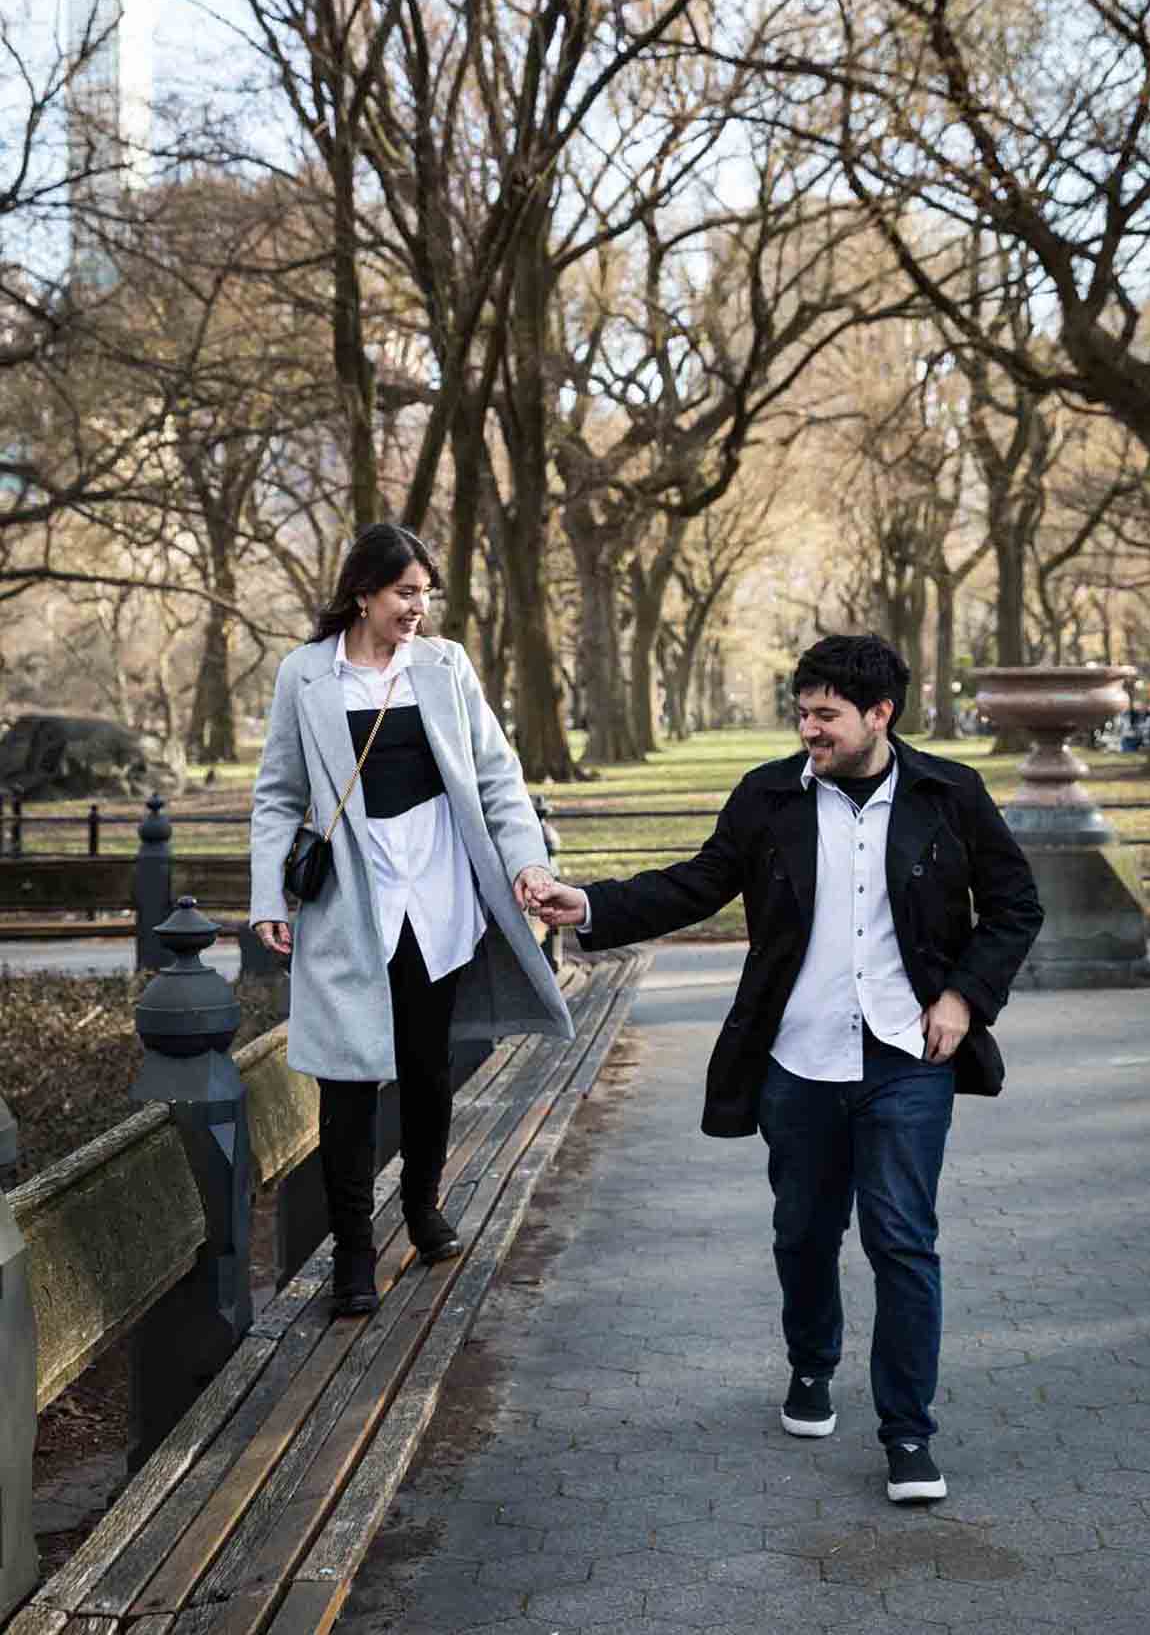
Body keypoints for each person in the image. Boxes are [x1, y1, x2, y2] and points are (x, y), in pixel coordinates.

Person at [532, 633, 1042, 1505]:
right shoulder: (769, 797)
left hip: (907, 1059)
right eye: (801, 712)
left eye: (826, 715)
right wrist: (591, 904)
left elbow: (1014, 906)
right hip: (797, 1059)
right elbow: (700, 883)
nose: (808, 728)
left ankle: (909, 1435)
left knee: (902, 1241)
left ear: (880, 714)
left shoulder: (949, 794)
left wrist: (962, 999)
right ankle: (813, 1365)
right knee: (804, 1231)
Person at [251, 524, 572, 1317]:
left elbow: (497, 776)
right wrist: (266, 897)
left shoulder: (445, 666)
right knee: (349, 1082)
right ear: (362, 593)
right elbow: (278, 794)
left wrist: (527, 860)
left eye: (425, 594)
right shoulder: (306, 677)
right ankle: (353, 1254)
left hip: (437, 901)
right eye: (404, 594)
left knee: (427, 1069)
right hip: (349, 909)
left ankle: (422, 1208)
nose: (417, 609)